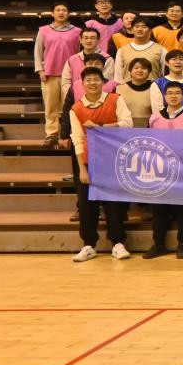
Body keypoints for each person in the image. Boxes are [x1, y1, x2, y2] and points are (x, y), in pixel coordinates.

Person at [68, 67, 133, 262]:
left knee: (114, 203)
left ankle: (118, 243)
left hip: (114, 159)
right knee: (87, 205)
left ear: (103, 81)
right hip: (89, 161)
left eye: (96, 79)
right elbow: (77, 139)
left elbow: (127, 124)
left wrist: (101, 128)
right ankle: (89, 245)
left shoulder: (115, 99)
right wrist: (82, 168)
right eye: (88, 80)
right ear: (82, 84)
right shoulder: (76, 109)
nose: (92, 83)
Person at [143, 81, 183, 259]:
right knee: (159, 209)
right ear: (165, 97)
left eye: (177, 93)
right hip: (160, 169)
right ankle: (158, 245)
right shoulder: (155, 117)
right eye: (170, 93)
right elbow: (148, 141)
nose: (173, 96)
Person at [35, 1, 82, 146]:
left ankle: (70, 133)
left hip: (71, 76)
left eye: (64, 10)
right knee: (51, 107)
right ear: (52, 13)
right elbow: (38, 51)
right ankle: (52, 134)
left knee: (71, 106)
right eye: (58, 10)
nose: (61, 12)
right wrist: (40, 70)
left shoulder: (77, 31)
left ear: (69, 13)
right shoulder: (43, 30)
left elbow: (80, 53)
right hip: (49, 75)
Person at [114, 18, 164, 82]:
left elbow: (165, 74)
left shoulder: (161, 50)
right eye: (137, 26)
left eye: (144, 27)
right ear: (132, 30)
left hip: (153, 87)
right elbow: (118, 76)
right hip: (127, 87)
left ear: (150, 31)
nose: (140, 29)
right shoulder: (122, 51)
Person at [153, 49, 183, 114]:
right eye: (174, 59)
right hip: (163, 119)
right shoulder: (158, 83)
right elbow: (157, 108)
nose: (178, 62)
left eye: (181, 59)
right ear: (166, 63)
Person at [116, 58, 156, 129]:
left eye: (143, 68)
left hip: (149, 130)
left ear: (149, 72)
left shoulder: (155, 87)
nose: (139, 70)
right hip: (125, 129)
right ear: (130, 71)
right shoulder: (119, 88)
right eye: (136, 68)